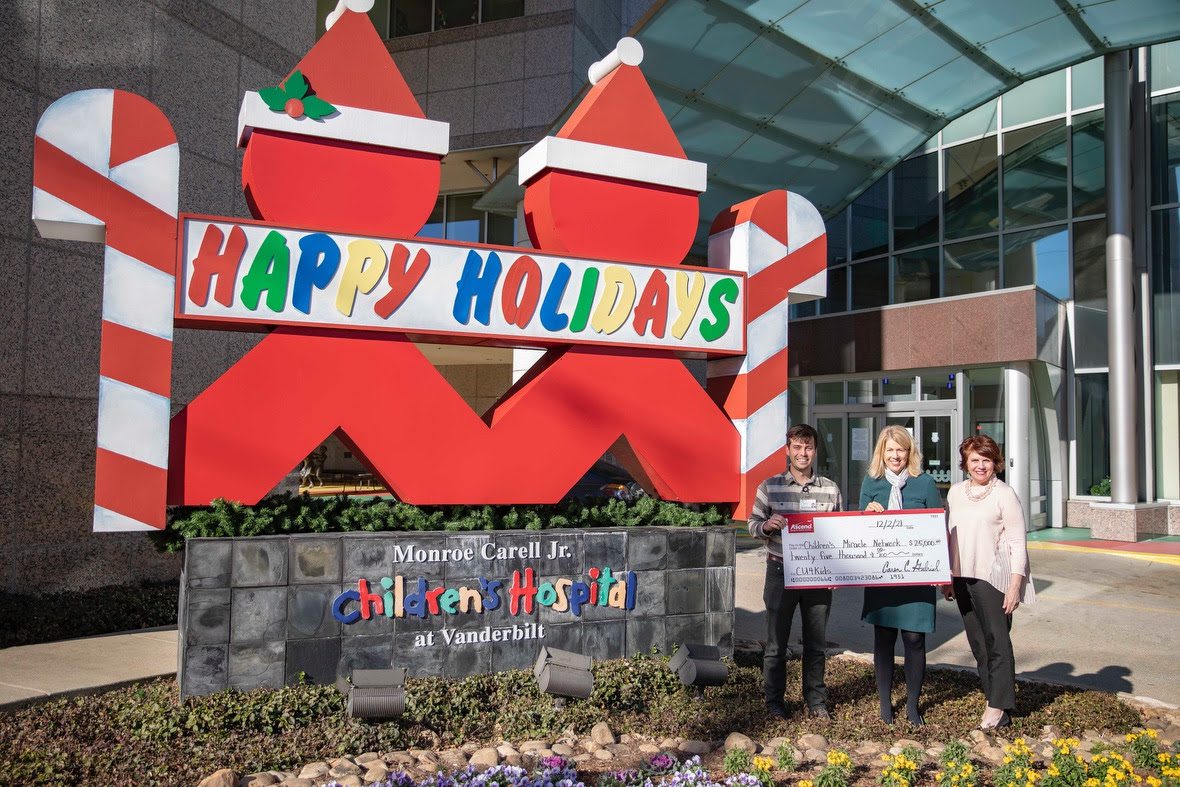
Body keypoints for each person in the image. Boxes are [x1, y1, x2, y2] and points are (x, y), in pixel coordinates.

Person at [748, 423, 843, 720]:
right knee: (776, 643)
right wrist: (766, 526)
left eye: (809, 447)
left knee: (815, 644)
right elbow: (752, 525)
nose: (803, 453)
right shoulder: (769, 486)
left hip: (817, 577)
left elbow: (840, 533)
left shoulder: (830, 489)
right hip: (780, 572)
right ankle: (774, 702)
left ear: (815, 451)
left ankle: (816, 701)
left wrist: (838, 573)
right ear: (788, 450)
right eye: (798, 447)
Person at [944, 434, 1030, 730]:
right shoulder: (955, 492)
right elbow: (951, 537)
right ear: (965, 463)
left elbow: (1018, 542)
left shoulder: (1004, 494)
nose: (981, 466)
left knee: (997, 642)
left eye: (987, 460)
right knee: (978, 643)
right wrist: (947, 578)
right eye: (975, 460)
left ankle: (998, 705)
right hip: (961, 577)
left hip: (993, 578)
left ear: (996, 463)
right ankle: (995, 699)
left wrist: (1015, 585)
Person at [859, 425, 942, 726]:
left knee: (914, 640)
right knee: (883, 639)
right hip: (882, 575)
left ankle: (912, 705)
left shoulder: (925, 484)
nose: (895, 456)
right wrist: (866, 514)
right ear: (882, 453)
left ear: (910, 452)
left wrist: (940, 571)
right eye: (890, 450)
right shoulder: (872, 482)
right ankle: (884, 704)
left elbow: (938, 530)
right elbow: (858, 531)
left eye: (901, 450)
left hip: (916, 577)